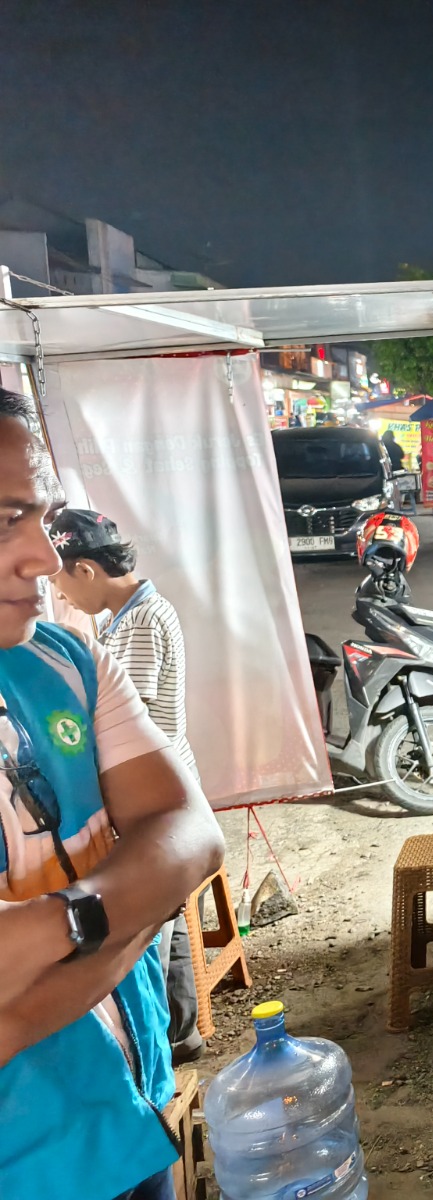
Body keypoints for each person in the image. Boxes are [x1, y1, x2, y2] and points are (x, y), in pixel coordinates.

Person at [0, 388, 225, 1200]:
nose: (42, 559)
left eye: (41, 517)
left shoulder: (60, 658)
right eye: (4, 521)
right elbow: (158, 861)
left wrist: (68, 927)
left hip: (128, 1116)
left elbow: (188, 832)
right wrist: (134, 907)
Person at [49, 507, 205, 1063]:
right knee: (170, 916)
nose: (62, 597)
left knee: (151, 926)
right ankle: (180, 1032)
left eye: (59, 582)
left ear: (86, 570)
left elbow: (125, 724)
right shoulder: (131, 614)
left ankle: (156, 1040)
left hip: (158, 788)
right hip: (171, 781)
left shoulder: (138, 622)